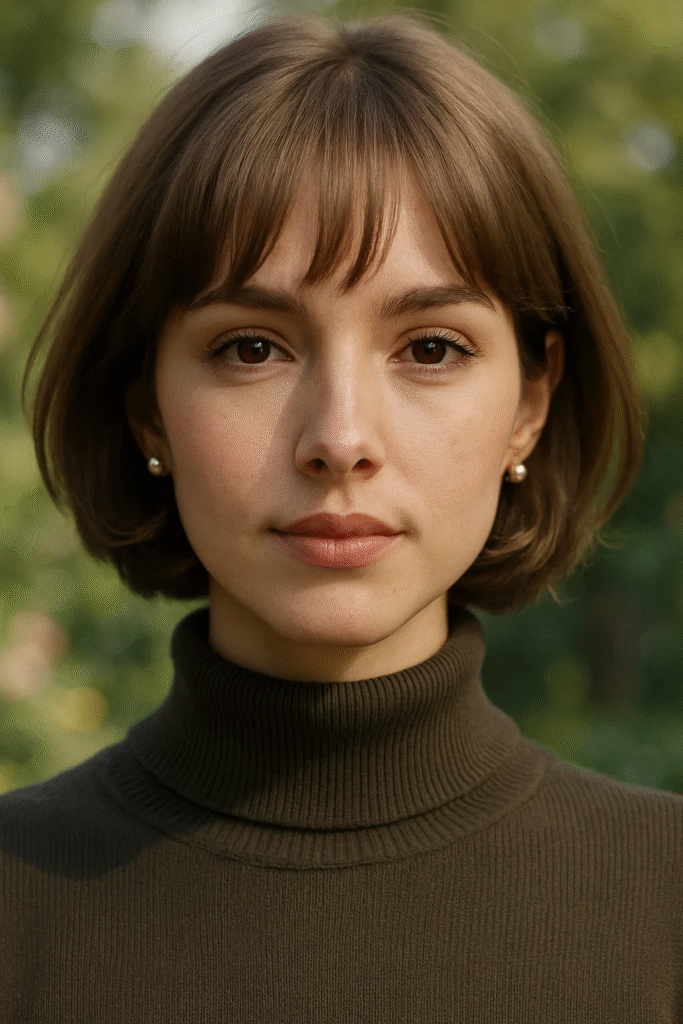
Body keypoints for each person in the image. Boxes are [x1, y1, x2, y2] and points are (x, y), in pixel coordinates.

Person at [1, 9, 681, 1021]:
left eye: (430, 347)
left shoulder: (661, 911)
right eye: (251, 347)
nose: (339, 436)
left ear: (528, 405)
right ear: (146, 399)